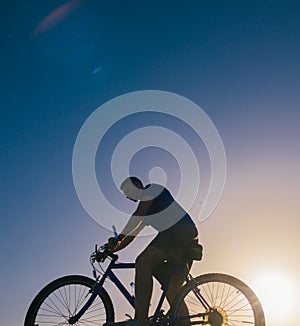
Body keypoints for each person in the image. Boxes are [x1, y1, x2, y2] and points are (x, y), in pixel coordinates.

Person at [107, 177, 199, 326]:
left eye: (128, 191)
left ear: (137, 185)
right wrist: (112, 249)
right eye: (126, 194)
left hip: (178, 231)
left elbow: (137, 215)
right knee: (173, 293)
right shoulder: (148, 211)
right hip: (186, 237)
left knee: (142, 262)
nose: (128, 196)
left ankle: (141, 320)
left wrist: (119, 237)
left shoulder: (151, 190)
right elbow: (132, 235)